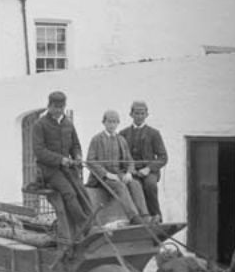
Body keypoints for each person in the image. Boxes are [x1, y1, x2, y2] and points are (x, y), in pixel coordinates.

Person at [32, 91, 92, 241]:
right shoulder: (40, 125)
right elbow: (39, 151)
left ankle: (91, 222)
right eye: (55, 107)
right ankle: (84, 226)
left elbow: (76, 145)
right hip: (48, 171)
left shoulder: (68, 123)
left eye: (61, 107)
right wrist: (60, 160)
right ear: (49, 106)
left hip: (67, 169)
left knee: (81, 191)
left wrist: (77, 156)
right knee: (69, 193)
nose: (59, 110)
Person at [86, 109, 152, 225]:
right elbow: (90, 161)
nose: (112, 125)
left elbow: (129, 160)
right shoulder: (96, 139)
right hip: (101, 178)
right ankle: (134, 217)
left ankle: (145, 216)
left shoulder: (121, 140)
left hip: (119, 174)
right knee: (120, 186)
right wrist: (107, 174)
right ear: (104, 123)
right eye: (109, 122)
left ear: (118, 123)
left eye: (115, 122)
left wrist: (129, 173)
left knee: (135, 184)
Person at [119, 100, 168, 221]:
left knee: (150, 185)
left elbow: (163, 157)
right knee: (133, 187)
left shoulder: (154, 133)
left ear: (147, 115)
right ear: (131, 114)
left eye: (142, 113)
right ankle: (138, 219)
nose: (139, 116)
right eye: (136, 113)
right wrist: (127, 171)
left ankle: (156, 217)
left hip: (149, 172)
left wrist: (148, 169)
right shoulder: (123, 134)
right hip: (131, 171)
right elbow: (120, 157)